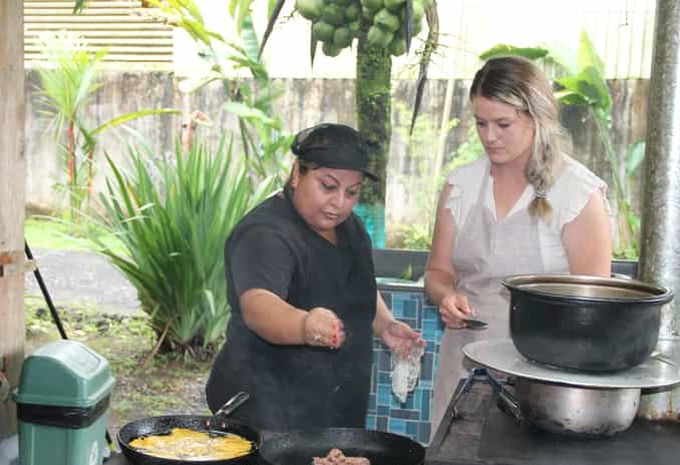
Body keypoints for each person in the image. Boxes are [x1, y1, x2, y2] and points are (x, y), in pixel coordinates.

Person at [424, 56, 613, 431]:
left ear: (536, 117)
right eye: (481, 123)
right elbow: (437, 271)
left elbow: (595, 306)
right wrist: (445, 296)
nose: (489, 136)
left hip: (545, 382)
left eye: (503, 124)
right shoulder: (461, 186)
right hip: (464, 368)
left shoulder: (576, 192)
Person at [206, 123, 426, 431]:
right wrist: (306, 326)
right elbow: (258, 305)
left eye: (352, 192)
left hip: (334, 406)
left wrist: (384, 324)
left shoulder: (351, 228)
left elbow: (356, 283)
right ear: (297, 174)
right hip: (267, 411)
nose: (340, 203)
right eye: (328, 186)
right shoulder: (266, 234)